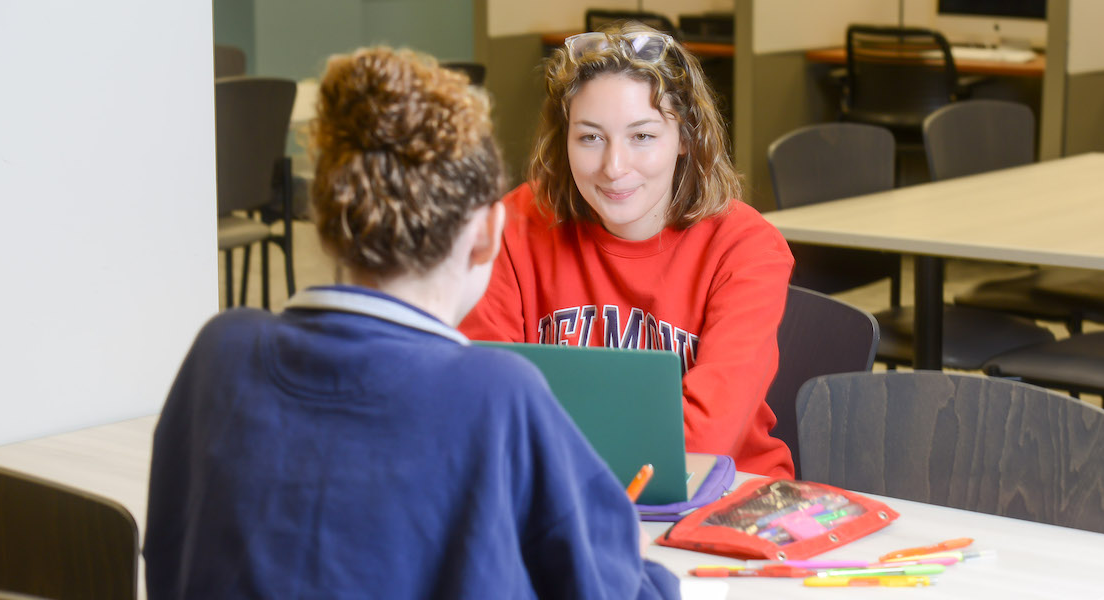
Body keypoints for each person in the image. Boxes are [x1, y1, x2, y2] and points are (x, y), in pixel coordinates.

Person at [143, 46, 679, 599]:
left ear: (324, 223)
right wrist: (634, 563)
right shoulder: (497, 394)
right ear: (488, 234)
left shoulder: (218, 353)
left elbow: (166, 554)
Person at [460, 23, 796, 478]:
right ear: (565, 140)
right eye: (590, 137)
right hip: (557, 497)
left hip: (723, 499)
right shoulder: (512, 228)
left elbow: (705, 440)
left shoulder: (745, 247)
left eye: (642, 136)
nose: (614, 168)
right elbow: (485, 404)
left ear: (685, 139)